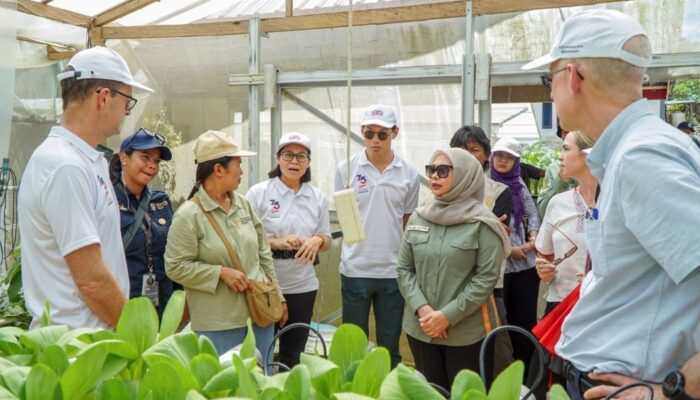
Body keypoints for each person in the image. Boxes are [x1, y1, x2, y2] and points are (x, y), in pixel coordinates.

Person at [522, 9, 700, 400]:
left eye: (547, 79)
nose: (549, 92)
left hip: (624, 385)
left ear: (572, 76)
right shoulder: (635, 150)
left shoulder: (641, 157)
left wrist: (675, 389)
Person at [18, 46, 153, 329]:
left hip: (89, 341)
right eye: (127, 102)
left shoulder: (86, 160)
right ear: (103, 97)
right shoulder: (66, 166)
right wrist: (136, 337)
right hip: (79, 347)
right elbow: (91, 280)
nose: (127, 113)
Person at [165, 130, 285, 368]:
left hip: (259, 315)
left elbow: (263, 254)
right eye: (237, 163)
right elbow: (174, 267)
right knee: (223, 388)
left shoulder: (244, 205)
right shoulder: (189, 215)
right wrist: (219, 272)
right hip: (218, 326)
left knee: (260, 384)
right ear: (218, 170)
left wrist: (277, 297)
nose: (241, 170)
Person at [397, 148, 509, 390]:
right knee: (429, 393)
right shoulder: (419, 216)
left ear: (465, 176)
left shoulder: (483, 223)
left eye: (443, 170)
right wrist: (424, 310)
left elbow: (486, 279)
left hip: (466, 334)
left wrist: (447, 316)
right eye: (431, 170)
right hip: (421, 328)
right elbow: (404, 269)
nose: (434, 176)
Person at [334, 104, 420, 367]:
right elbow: (344, 217)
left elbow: (408, 222)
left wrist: (407, 267)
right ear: (361, 131)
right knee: (354, 347)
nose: (374, 140)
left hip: (392, 272)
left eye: (382, 134)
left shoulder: (409, 174)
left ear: (395, 133)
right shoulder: (346, 170)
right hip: (355, 268)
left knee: (390, 344)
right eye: (368, 133)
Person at [246, 132, 332, 368]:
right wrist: (275, 243)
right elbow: (243, 238)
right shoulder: (258, 193)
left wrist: (317, 240)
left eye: (301, 156)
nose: (294, 162)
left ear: (309, 162)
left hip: (303, 286)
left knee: (293, 355)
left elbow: (326, 240)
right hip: (266, 286)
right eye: (288, 155)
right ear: (278, 159)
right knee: (260, 352)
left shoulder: (317, 197)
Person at [449, 125, 514, 379]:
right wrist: (484, 224)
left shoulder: (499, 192)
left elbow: (492, 243)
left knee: (498, 357)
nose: (467, 155)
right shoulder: (440, 193)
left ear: (486, 155)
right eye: (460, 150)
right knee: (458, 361)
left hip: (488, 288)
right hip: (449, 287)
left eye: (474, 150)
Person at [108, 128, 178, 317]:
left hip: (161, 303)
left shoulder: (160, 201)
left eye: (156, 161)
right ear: (124, 158)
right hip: (122, 304)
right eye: (145, 157)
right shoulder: (108, 200)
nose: (152, 166)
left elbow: (174, 251)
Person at [489, 136, 541, 371]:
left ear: (516, 162)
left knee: (525, 321)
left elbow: (533, 214)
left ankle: (523, 376)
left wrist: (532, 236)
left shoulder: (519, 184)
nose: (503, 160)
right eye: (499, 155)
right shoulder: (485, 184)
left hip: (524, 265)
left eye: (509, 157)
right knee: (500, 322)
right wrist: (510, 251)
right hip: (498, 266)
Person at [534, 131, 595, 314]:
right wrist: (543, 270)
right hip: (560, 304)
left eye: (566, 149)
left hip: (602, 307)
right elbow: (545, 255)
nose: (560, 157)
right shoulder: (558, 203)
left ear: (587, 154)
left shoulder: (614, 202)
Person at [537, 125, 578, 217]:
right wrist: (561, 181)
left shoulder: (595, 166)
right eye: (565, 132)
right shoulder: (554, 168)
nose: (570, 135)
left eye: (574, 130)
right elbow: (543, 212)